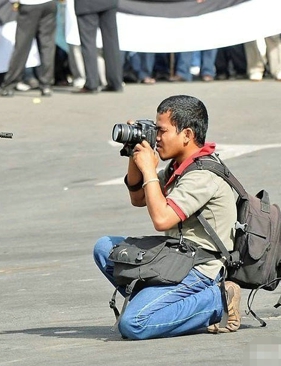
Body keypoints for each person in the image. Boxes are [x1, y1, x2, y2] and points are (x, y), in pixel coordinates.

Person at [93, 95, 241, 340]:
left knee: (133, 325)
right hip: (177, 258)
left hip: (201, 268)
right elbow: (138, 197)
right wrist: (134, 152)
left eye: (161, 131)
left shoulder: (202, 175)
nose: (157, 137)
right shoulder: (179, 166)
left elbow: (162, 219)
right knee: (105, 248)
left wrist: (149, 169)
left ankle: (218, 300)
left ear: (187, 134)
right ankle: (158, 303)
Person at [0, 0, 58, 97]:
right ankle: (46, 84)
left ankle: (10, 84)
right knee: (47, 45)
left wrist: (14, 2)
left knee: (22, 45)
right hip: (49, 3)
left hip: (29, 4)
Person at [73, 0, 123, 93]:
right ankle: (115, 82)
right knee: (111, 42)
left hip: (86, 4)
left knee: (88, 43)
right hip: (108, 3)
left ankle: (91, 84)